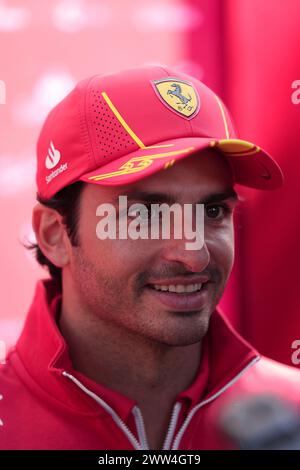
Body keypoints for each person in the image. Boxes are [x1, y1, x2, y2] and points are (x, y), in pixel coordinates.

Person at [0, 65, 300, 451]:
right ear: (54, 235)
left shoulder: (290, 415)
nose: (193, 254)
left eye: (212, 213)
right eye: (146, 215)